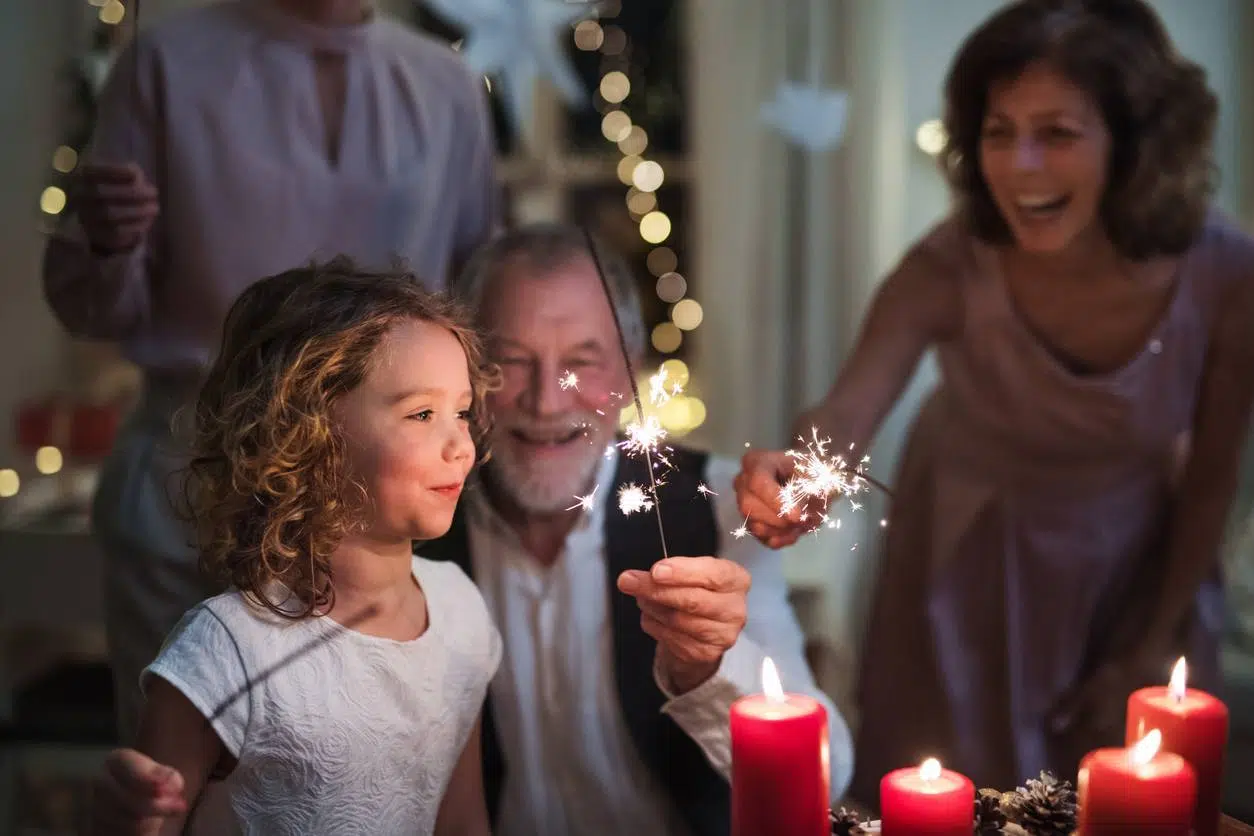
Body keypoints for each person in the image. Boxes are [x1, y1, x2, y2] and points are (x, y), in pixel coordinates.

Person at [93, 225, 856, 835]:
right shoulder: (397, 515)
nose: (547, 401)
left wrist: (706, 670)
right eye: (511, 361)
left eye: (583, 362)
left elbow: (831, 774)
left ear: (627, 381)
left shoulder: (718, 502)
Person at [734, 0, 1254, 802]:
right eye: (999, 131)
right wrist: (801, 473)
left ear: (1136, 142)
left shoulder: (1224, 272)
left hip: (1141, 566)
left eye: (1058, 133)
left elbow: (1215, 473)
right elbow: (846, 412)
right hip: (968, 572)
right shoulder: (949, 265)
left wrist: (1151, 643)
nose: (1021, 165)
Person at [42, 0, 498, 742]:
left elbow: (481, 293)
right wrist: (102, 241)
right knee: (185, 774)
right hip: (190, 488)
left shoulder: (445, 83)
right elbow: (94, 309)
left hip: (374, 506)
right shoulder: (164, 63)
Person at [91, 260, 502, 835]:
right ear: (307, 433)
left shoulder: (461, 612)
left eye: (461, 411)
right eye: (422, 414)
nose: (460, 443)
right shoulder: (226, 649)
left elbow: (461, 821)